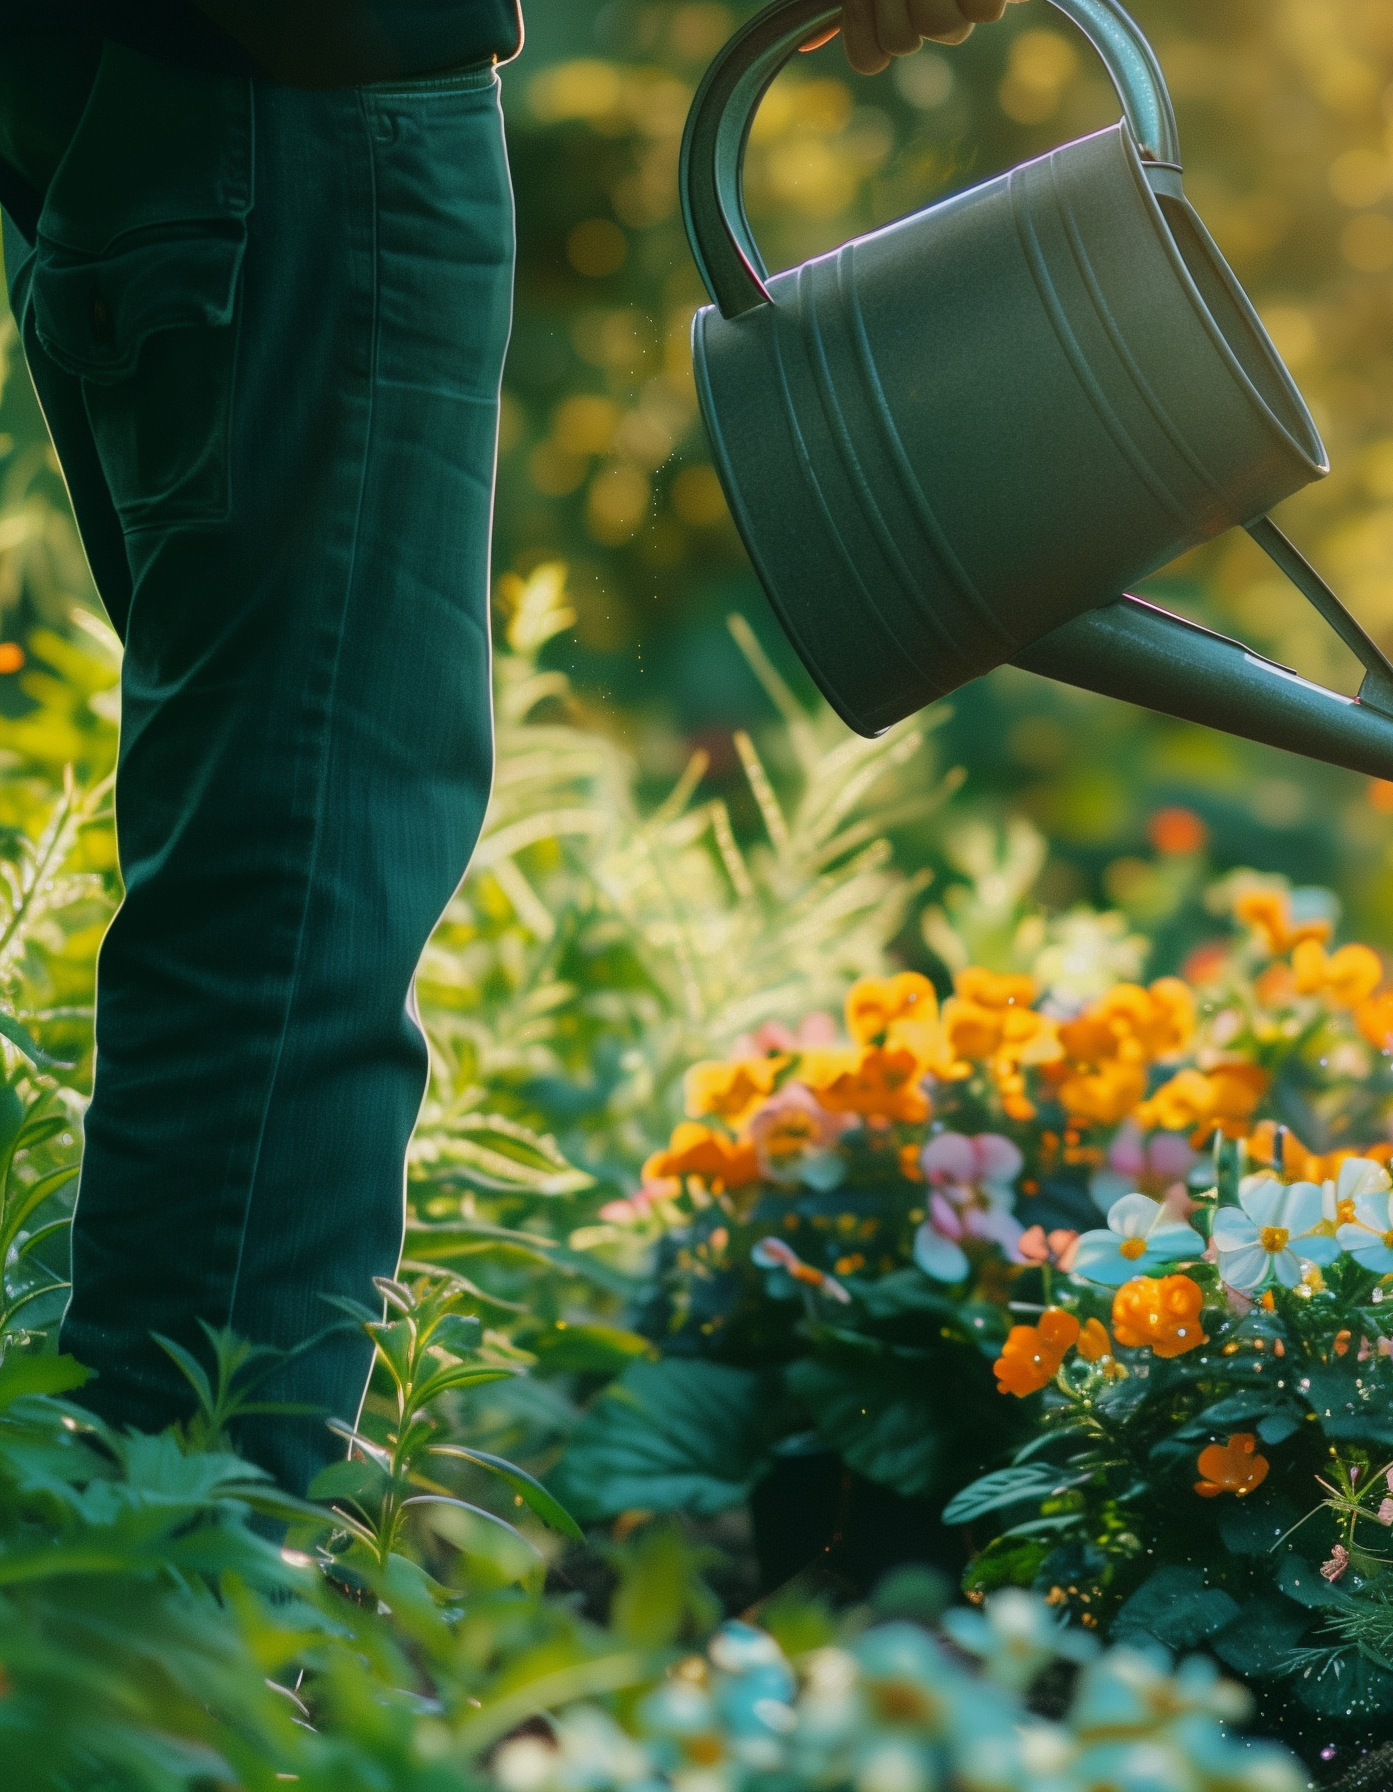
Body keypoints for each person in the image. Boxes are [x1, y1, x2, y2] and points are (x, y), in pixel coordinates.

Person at [0, 0, 1017, 1497]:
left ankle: (154, 1563)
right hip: (307, 112)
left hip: (164, 102)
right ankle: (180, 1588)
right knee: (295, 901)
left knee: (264, 872)